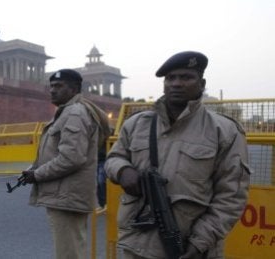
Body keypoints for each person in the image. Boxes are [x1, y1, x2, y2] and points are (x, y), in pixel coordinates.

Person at [104, 51, 251, 259]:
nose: (176, 84)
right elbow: (113, 158)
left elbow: (231, 197)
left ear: (202, 83)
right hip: (136, 245)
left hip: (191, 248)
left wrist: (200, 242)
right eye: (170, 78)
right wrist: (123, 170)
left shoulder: (224, 131)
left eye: (186, 77)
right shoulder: (137, 124)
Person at [21, 69, 108, 259]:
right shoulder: (67, 112)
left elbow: (71, 158)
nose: (52, 90)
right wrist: (34, 168)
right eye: (51, 86)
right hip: (66, 194)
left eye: (58, 86)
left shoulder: (74, 113)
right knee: (73, 249)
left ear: (74, 89)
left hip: (67, 196)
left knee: (69, 253)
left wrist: (37, 174)